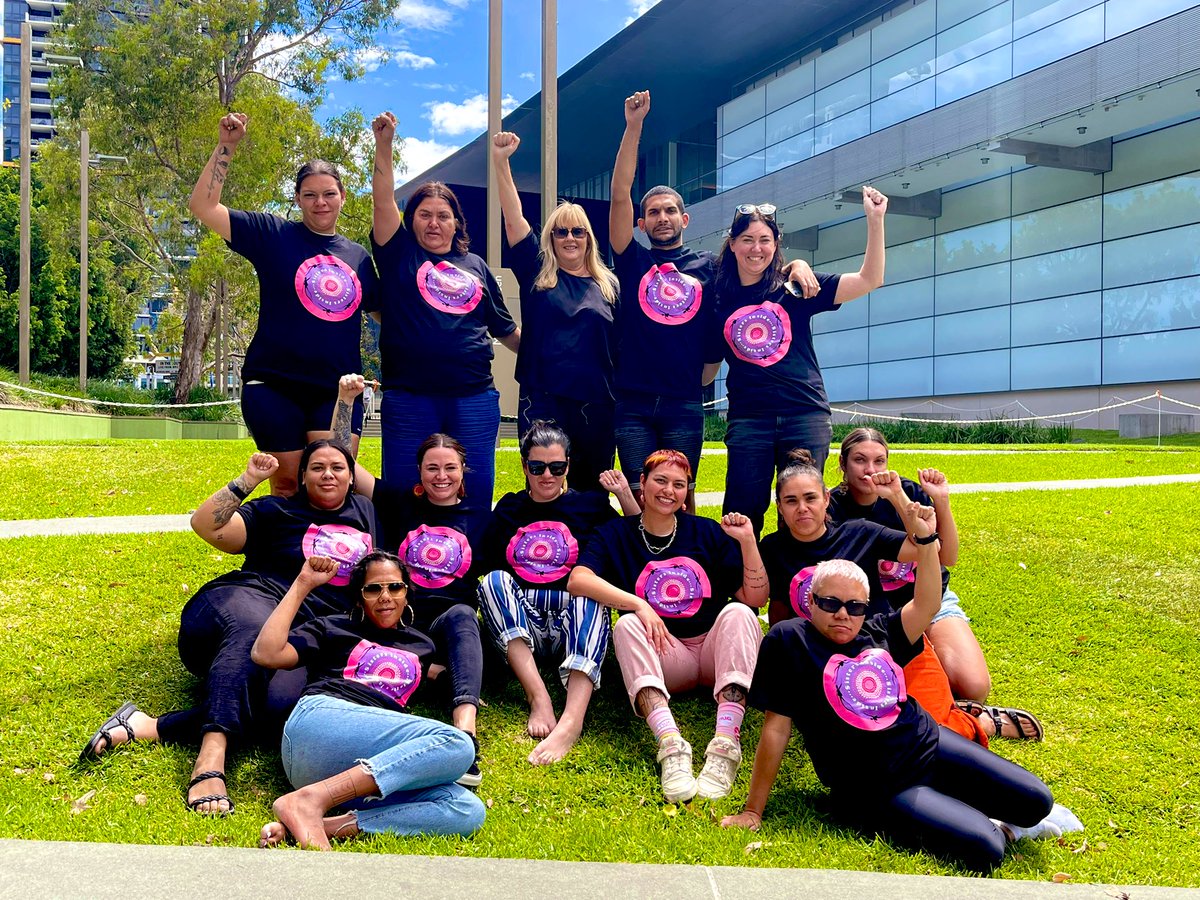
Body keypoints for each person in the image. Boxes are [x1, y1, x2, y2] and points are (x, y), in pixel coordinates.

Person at [720, 545, 1064, 873]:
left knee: (1037, 801)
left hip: (930, 745)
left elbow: (928, 603)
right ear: (810, 601)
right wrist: (753, 810)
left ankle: (956, 802)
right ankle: (988, 823)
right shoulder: (788, 641)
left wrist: (927, 542)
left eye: (855, 606)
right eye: (830, 602)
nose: (843, 614)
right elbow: (776, 729)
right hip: (879, 786)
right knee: (987, 848)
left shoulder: (880, 630)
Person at [78, 442, 378, 814]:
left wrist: (347, 397)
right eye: (317, 467)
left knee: (280, 706)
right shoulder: (276, 510)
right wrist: (249, 479)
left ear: (353, 477)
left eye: (338, 467)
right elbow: (205, 524)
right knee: (253, 628)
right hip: (239, 604)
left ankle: (146, 726)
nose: (328, 474)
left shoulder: (366, 511)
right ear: (301, 477)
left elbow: (341, 443)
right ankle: (211, 758)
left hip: (295, 633)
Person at [608, 90, 820, 513]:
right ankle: (641, 573)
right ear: (641, 222)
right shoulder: (632, 261)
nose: (662, 218)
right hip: (632, 401)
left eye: (670, 210)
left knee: (679, 495)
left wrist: (795, 263)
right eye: (653, 212)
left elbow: (756, 265)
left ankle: (685, 570)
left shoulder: (712, 267)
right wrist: (634, 128)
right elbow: (618, 194)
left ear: (685, 219)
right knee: (637, 493)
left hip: (684, 402)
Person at [759, 449, 1042, 743]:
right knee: (878, 736)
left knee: (933, 735)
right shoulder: (773, 548)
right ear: (779, 507)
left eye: (810, 498)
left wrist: (901, 500)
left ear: (826, 499)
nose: (802, 508)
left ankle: (978, 722)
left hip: (890, 643)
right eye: (791, 501)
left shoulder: (860, 532)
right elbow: (778, 608)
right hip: (832, 660)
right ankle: (952, 714)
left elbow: (920, 546)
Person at [188, 112, 375, 497]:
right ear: (297, 199)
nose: (320, 202)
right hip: (274, 386)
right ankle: (287, 558)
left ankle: (336, 557)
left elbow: (387, 315)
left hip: (336, 390)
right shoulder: (273, 234)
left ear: (342, 197)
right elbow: (205, 207)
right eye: (309, 194)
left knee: (334, 487)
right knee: (288, 484)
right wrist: (228, 145)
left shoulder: (358, 257)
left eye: (329, 193)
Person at [568, 450, 767, 802]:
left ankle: (725, 744)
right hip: (667, 654)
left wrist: (748, 541)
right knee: (627, 625)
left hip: (713, 651)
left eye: (679, 484)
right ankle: (671, 746)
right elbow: (578, 580)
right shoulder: (616, 533)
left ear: (687, 491)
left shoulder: (705, 531)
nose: (668, 491)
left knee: (740, 615)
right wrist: (638, 603)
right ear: (641, 484)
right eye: (660, 481)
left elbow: (754, 597)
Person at [252, 552, 485, 849]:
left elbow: (455, 671)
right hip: (320, 722)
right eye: (373, 589)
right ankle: (313, 801)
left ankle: (322, 823)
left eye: (395, 587)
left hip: (359, 766)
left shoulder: (422, 646)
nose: (385, 596)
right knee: (458, 743)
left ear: (407, 593)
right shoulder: (333, 627)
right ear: (360, 597)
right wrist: (303, 583)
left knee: (465, 808)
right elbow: (266, 654)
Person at [332, 374, 486, 785]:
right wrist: (348, 401)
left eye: (449, 468)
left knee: (462, 616)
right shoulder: (399, 503)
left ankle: (465, 734)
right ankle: (433, 673)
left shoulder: (481, 519)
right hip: (398, 622)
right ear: (419, 471)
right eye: (432, 468)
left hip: (447, 624)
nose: (441, 476)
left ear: (463, 471)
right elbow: (339, 459)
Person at [710, 187, 887, 536]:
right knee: (741, 511)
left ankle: (801, 587)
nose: (756, 248)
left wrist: (875, 220)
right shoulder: (717, 294)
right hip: (750, 419)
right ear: (732, 244)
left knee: (803, 512)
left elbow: (870, 280)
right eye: (747, 239)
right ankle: (741, 586)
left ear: (776, 245)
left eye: (764, 240)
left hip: (804, 414)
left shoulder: (795, 287)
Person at [369, 111, 519, 516]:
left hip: (473, 396)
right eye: (424, 214)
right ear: (410, 220)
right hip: (410, 396)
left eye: (443, 216)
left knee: (472, 492)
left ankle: (467, 569)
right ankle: (399, 573)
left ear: (456, 222)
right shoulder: (400, 253)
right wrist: (384, 145)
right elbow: (383, 199)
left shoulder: (476, 266)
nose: (434, 223)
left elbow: (506, 331)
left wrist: (559, 345)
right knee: (404, 493)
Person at [477, 421, 621, 765]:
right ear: (524, 466)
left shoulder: (591, 505)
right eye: (537, 467)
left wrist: (625, 497)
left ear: (568, 465)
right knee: (493, 580)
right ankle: (538, 695)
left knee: (589, 591)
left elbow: (633, 540)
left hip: (573, 620)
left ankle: (571, 721)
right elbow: (482, 565)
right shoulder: (510, 508)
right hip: (522, 619)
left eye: (556, 467)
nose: (547, 476)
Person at [491, 131, 619, 492]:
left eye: (578, 231)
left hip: (596, 404)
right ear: (550, 237)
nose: (569, 238)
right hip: (542, 397)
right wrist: (502, 162)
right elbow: (514, 219)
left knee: (593, 493)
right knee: (543, 487)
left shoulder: (609, 285)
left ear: (589, 237)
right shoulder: (537, 273)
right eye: (560, 231)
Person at [829, 427, 992, 704]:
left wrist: (936, 499)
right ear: (843, 465)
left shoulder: (905, 491)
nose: (870, 469)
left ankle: (938, 668)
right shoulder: (833, 506)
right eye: (859, 460)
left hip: (929, 598)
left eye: (879, 461)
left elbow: (946, 556)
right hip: (878, 612)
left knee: (974, 687)